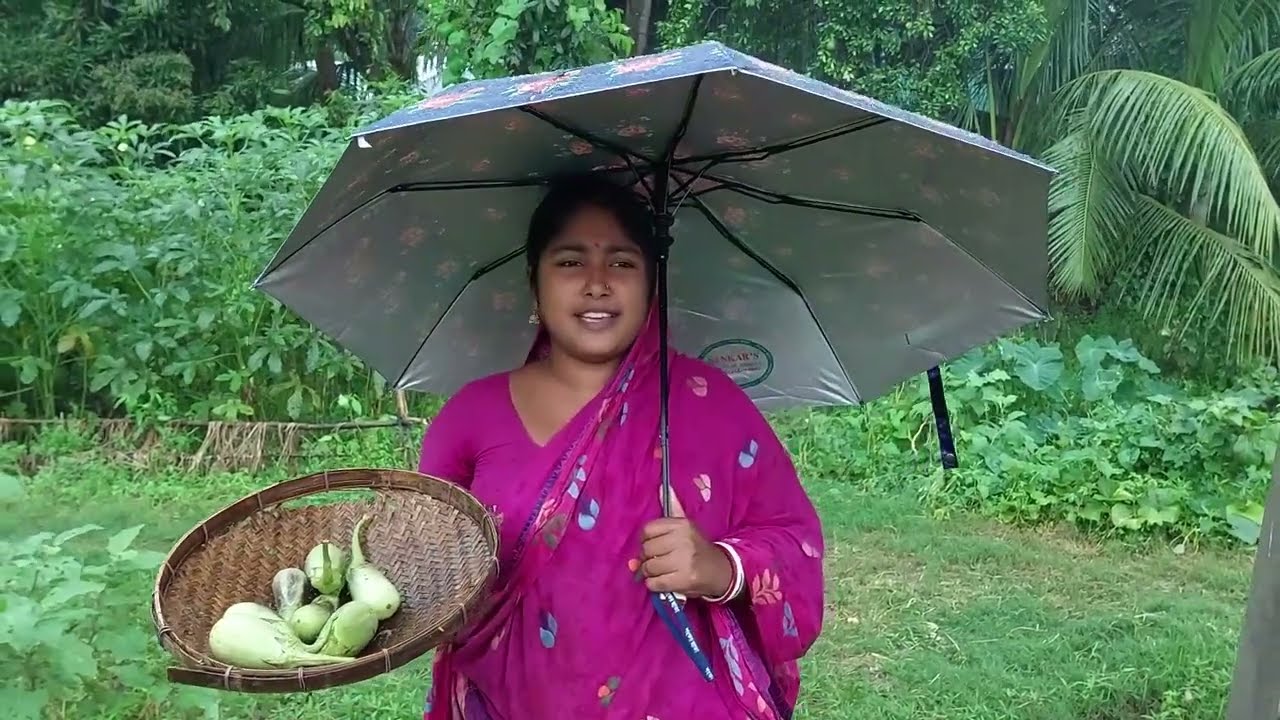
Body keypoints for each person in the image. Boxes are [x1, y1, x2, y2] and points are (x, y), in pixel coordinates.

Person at [416, 173, 825, 720]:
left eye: (623, 263)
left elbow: (796, 543)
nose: (597, 284)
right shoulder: (471, 415)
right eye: (570, 261)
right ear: (534, 281)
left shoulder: (710, 404)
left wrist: (719, 566)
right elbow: (421, 561)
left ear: (653, 284)